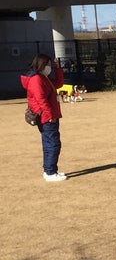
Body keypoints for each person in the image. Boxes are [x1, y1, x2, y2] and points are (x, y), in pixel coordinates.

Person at [20, 53, 67, 182]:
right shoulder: (37, 79)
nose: (49, 67)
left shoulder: (43, 78)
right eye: (48, 65)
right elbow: (40, 99)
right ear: (41, 65)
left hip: (49, 115)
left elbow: (58, 83)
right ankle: (51, 172)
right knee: (53, 144)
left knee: (49, 144)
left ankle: (49, 170)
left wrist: (58, 69)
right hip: (46, 117)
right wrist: (50, 115)